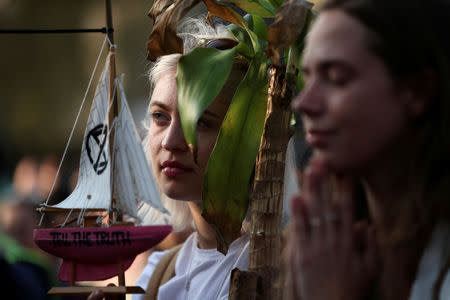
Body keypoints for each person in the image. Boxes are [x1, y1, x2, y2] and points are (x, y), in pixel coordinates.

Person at [287, 0, 450, 299]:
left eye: (336, 77)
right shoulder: (330, 253)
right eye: (307, 77)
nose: (303, 103)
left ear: (416, 91)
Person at [89, 18, 251, 300]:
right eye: (160, 117)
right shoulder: (160, 273)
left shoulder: (279, 265)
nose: (170, 141)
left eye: (201, 122)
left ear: (247, 138)